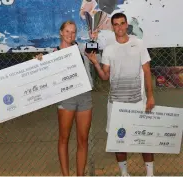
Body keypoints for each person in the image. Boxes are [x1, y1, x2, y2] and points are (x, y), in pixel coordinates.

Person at [85, 13, 155, 176]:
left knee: (143, 140)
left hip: (138, 102)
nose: (119, 27)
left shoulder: (139, 44)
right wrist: (95, 62)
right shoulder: (109, 49)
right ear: (112, 27)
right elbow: (104, 76)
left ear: (126, 25)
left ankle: (150, 174)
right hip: (116, 104)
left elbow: (147, 71)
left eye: (122, 23)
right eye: (116, 24)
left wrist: (150, 96)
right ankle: (124, 173)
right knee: (119, 140)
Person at [35, 21, 96, 176]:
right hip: (65, 98)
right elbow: (42, 72)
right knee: (64, 138)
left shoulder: (82, 48)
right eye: (67, 31)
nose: (70, 35)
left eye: (73, 32)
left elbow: (94, 51)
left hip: (84, 97)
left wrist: (94, 40)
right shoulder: (53, 54)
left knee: (83, 139)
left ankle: (80, 175)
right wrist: (39, 61)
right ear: (61, 32)